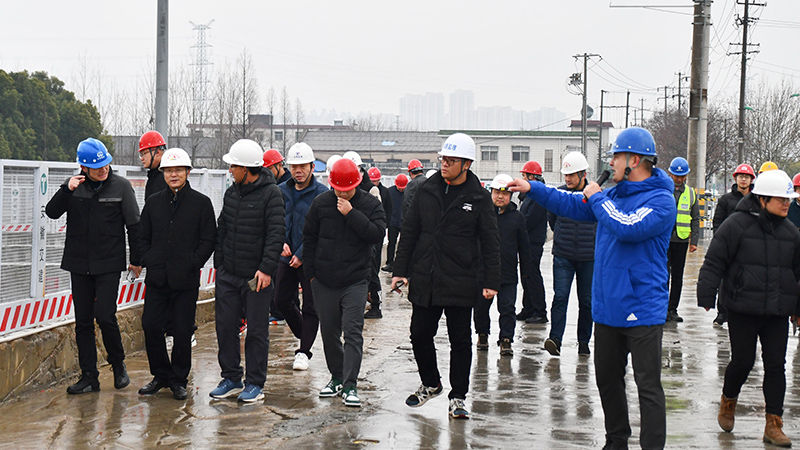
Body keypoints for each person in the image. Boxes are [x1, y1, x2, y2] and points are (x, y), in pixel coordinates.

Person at [508, 126, 675, 449]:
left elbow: (627, 226)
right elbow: (570, 203)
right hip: (608, 307)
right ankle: (616, 442)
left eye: (616, 157)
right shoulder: (613, 195)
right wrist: (534, 188)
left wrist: (596, 196)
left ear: (635, 160)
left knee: (647, 386)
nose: (611, 162)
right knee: (608, 381)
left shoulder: (660, 200)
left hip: (642, 309)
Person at [392, 133, 500, 420]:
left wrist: (492, 280)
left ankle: (458, 397)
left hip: (461, 278)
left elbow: (490, 241)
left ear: (466, 164)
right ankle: (431, 383)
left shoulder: (478, 197)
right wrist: (400, 270)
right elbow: (410, 231)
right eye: (443, 159)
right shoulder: (427, 190)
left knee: (460, 341)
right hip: (426, 276)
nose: (445, 164)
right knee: (419, 335)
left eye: (451, 161)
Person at [697, 169, 800, 448]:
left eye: (788, 199)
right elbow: (715, 260)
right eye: (781, 199)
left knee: (776, 366)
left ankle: (774, 424)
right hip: (742, 308)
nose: (787, 204)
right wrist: (706, 293)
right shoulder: (736, 225)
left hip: (777, 311)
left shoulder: (791, 233)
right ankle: (728, 400)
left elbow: (798, 272)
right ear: (763, 199)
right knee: (743, 362)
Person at [45, 138, 141, 394]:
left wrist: (137, 260)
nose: (103, 169)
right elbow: (52, 212)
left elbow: (134, 225)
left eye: (105, 164)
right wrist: (66, 189)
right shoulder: (74, 187)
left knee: (105, 316)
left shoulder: (121, 186)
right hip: (79, 263)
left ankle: (118, 365)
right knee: (83, 321)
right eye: (97, 167)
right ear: (83, 167)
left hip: (109, 263)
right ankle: (89, 376)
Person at [303, 158, 386, 408]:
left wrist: (352, 214)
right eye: (337, 189)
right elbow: (309, 238)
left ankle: (350, 384)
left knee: (352, 331)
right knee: (329, 333)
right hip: (324, 280)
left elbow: (377, 234)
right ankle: (336, 377)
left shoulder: (370, 204)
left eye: (347, 190)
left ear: (356, 184)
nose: (341, 194)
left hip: (356, 280)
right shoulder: (321, 203)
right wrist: (311, 276)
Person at [137, 148, 216, 400]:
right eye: (169, 170)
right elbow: (142, 236)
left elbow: (209, 239)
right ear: (163, 173)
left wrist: (194, 262)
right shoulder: (153, 202)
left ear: (187, 172)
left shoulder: (201, 203)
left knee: (182, 332)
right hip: (157, 278)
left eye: (178, 170)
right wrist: (148, 259)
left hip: (185, 280)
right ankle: (160, 375)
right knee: (151, 326)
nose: (173, 175)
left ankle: (179, 379)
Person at [211, 139, 285, 403]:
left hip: (256, 278)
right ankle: (231, 377)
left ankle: (255, 383)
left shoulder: (271, 194)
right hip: (228, 274)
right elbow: (222, 228)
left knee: (256, 331)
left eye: (233, 166)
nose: (230, 170)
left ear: (246, 168)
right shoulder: (232, 193)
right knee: (225, 327)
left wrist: (266, 269)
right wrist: (219, 263)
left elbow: (276, 234)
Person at [274, 142, 329, 371]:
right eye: (294, 166)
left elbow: (323, 230)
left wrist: (302, 254)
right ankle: (305, 333)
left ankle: (304, 351)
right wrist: (281, 243)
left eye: (303, 166)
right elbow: (275, 221)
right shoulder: (280, 191)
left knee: (310, 306)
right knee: (280, 300)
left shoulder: (322, 194)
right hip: (285, 258)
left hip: (310, 259)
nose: (298, 171)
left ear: (312, 167)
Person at [543, 151, 596, 357]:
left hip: (588, 257)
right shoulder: (560, 194)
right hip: (563, 255)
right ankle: (555, 339)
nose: (568, 179)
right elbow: (552, 219)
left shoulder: (594, 195)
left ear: (583, 174)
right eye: (566, 175)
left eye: (572, 175)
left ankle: (583, 342)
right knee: (560, 297)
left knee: (586, 301)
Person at [474, 174, 529, 356]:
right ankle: (482, 334)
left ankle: (506, 339)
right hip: (483, 272)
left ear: (510, 196)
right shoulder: (482, 216)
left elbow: (524, 246)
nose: (500, 197)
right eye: (497, 192)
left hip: (507, 272)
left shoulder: (517, 218)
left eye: (505, 194)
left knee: (507, 308)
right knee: (481, 308)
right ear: (491, 193)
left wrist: (526, 271)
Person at [711, 163, 755, 326]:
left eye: (747, 177)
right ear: (735, 178)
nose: (744, 179)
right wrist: (720, 243)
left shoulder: (756, 200)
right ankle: (722, 313)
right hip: (729, 246)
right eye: (741, 176)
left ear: (751, 180)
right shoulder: (726, 200)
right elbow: (717, 222)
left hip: (750, 247)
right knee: (725, 280)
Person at [665, 157, 699, 323]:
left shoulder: (691, 193)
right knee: (663, 275)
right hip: (664, 239)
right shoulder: (664, 191)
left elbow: (695, 218)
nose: (679, 179)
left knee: (677, 277)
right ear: (670, 174)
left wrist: (694, 242)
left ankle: (672, 309)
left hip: (681, 239)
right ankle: (662, 308)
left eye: (682, 176)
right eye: (676, 175)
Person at [516, 161, 549, 324]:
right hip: (526, 241)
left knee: (532, 275)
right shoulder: (529, 195)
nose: (522, 179)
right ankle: (528, 308)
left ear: (532, 177)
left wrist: (516, 228)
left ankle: (539, 311)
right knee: (526, 275)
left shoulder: (538, 196)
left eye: (524, 176)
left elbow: (529, 220)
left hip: (533, 242)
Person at [365, 167, 391, 319]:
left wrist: (383, 228)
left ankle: (376, 304)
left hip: (375, 235)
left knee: (373, 269)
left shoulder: (379, 192)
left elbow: (386, 212)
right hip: (370, 234)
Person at [381, 174, 408, 273]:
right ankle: (390, 263)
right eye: (399, 188)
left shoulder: (408, 192)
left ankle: (402, 263)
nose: (401, 189)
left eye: (402, 188)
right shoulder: (390, 192)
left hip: (404, 221)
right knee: (391, 243)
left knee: (404, 244)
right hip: (393, 221)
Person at [139, 130, 168, 200]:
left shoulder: (165, 178)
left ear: (157, 152)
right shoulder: (154, 176)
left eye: (144, 153)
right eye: (141, 155)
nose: (142, 158)